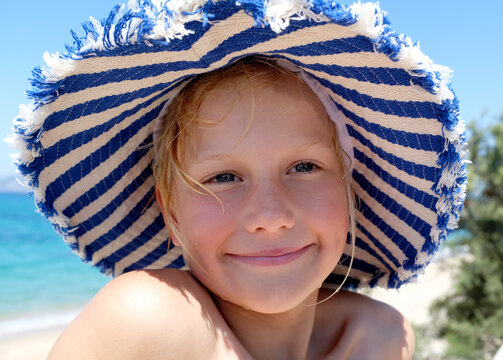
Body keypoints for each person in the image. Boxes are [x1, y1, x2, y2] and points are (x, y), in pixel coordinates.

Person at [9, 0, 467, 358]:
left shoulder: (382, 337)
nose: (270, 216)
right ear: (171, 213)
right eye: (224, 177)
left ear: (350, 193)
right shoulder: (147, 322)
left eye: (304, 167)